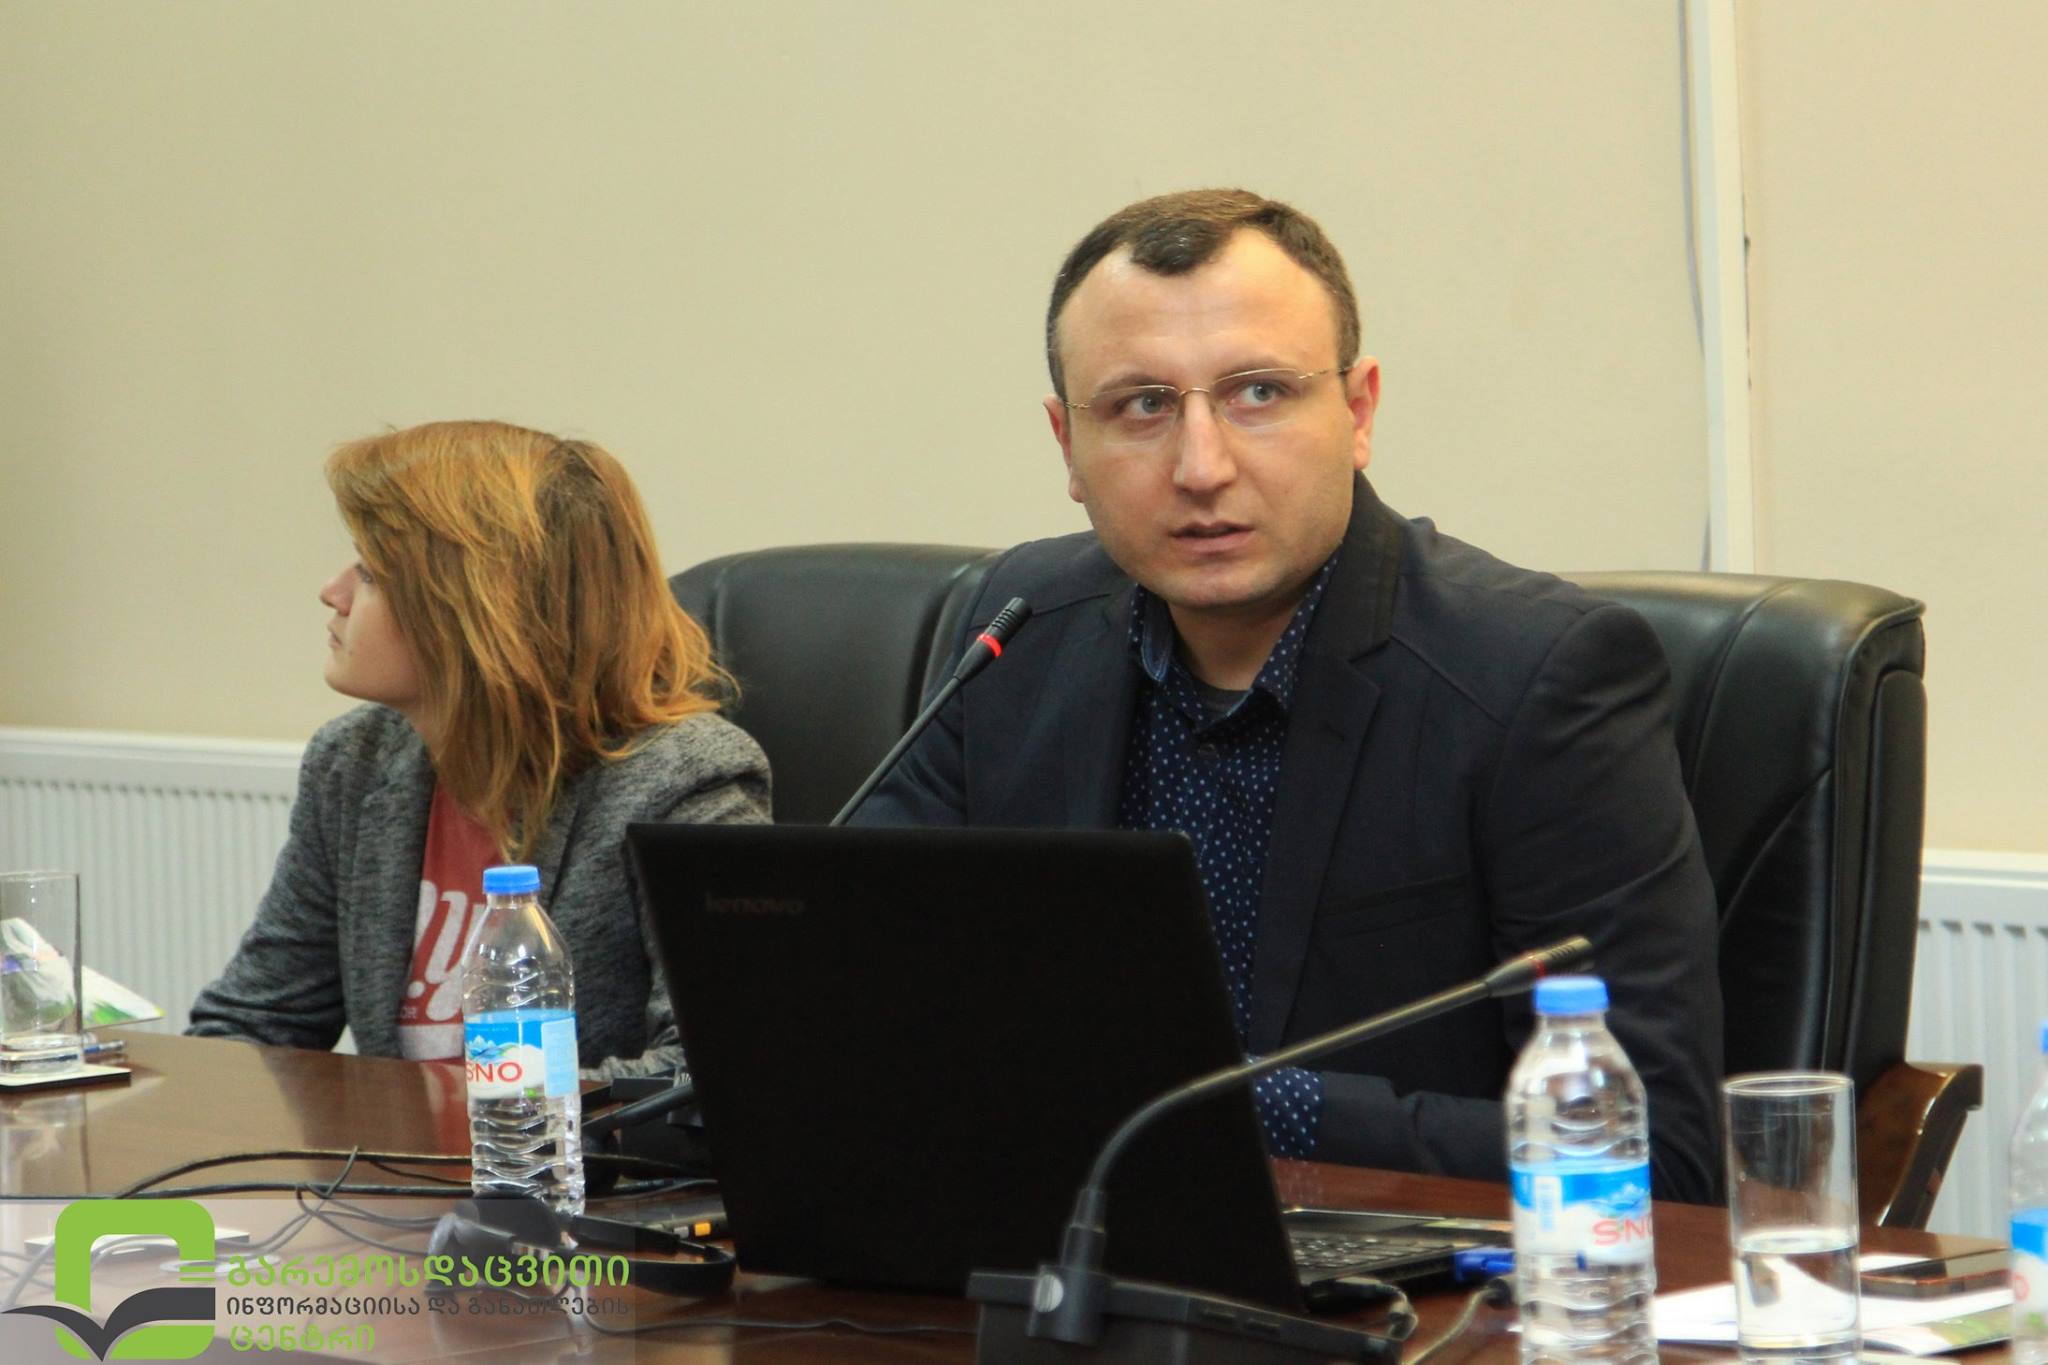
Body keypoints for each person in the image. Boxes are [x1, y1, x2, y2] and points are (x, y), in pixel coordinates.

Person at [856, 189, 1724, 1201]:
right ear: (1066, 445)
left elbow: (1655, 1156)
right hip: (1056, 1247)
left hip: (1396, 1277)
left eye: (1257, 392)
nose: (1200, 466)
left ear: (1358, 412)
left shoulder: (1538, 677)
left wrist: (1228, 1106)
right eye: (1141, 406)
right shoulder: (1017, 631)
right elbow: (859, 988)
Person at [188, 421, 770, 1078]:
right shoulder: (354, 761)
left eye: (370, 572)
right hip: (402, 1149)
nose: (333, 592)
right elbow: (254, 1024)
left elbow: (709, 1074)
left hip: (579, 1150)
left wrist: (495, 1107)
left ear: (473, 608)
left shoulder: (683, 777)